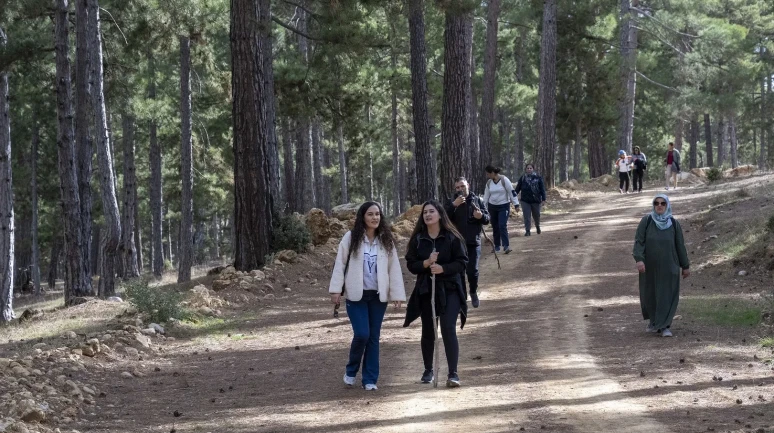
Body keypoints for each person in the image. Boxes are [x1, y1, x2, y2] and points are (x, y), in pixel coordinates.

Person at [329, 202, 406, 390]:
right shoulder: (350, 238)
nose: (375, 218)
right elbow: (340, 264)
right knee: (362, 334)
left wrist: (396, 294)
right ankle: (351, 370)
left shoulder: (385, 240)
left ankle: (370, 379)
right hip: (356, 296)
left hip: (377, 296)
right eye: (370, 214)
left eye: (378, 214)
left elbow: (393, 268)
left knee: (373, 336)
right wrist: (336, 290)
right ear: (363, 216)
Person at [403, 200, 469, 387]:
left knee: (448, 328)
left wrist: (443, 268)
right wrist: (425, 263)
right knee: (429, 330)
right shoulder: (418, 239)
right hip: (426, 289)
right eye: (425, 212)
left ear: (440, 214)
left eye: (431, 211)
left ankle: (453, 374)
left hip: (450, 288)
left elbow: (462, 261)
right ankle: (428, 370)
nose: (428, 215)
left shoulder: (452, 237)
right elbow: (411, 264)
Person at [632, 194, 690, 337]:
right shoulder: (646, 221)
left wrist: (685, 265)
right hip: (649, 266)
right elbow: (639, 241)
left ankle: (664, 326)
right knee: (650, 294)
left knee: (667, 294)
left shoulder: (674, 224)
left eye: (663, 203)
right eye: (656, 203)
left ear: (667, 205)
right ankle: (654, 321)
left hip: (670, 265)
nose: (659, 205)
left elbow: (680, 245)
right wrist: (639, 259)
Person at [445, 177, 490, 308]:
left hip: (473, 242)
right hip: (457, 244)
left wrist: (481, 216)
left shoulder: (478, 200)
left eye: (462, 186)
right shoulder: (451, 203)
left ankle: (473, 291)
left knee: (473, 271)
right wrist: (454, 205)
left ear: (468, 185)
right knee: (459, 272)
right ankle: (462, 298)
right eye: (457, 187)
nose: (460, 189)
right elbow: (444, 218)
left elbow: (487, 219)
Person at [482, 165, 519, 253]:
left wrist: (516, 204)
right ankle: (497, 246)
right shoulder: (489, 183)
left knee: (502, 225)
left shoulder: (504, 180)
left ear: (492, 173)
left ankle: (506, 246)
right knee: (495, 226)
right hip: (492, 207)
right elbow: (486, 196)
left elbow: (511, 192)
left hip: (504, 206)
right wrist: (484, 207)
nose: (487, 176)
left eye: (488, 174)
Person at [514, 163, 547, 237]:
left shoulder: (538, 177)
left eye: (530, 168)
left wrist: (544, 199)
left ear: (533, 169)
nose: (529, 169)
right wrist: (513, 196)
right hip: (525, 200)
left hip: (536, 200)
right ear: (525, 169)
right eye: (528, 168)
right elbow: (517, 188)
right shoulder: (522, 178)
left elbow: (542, 189)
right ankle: (527, 231)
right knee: (527, 216)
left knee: (536, 215)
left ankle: (537, 226)